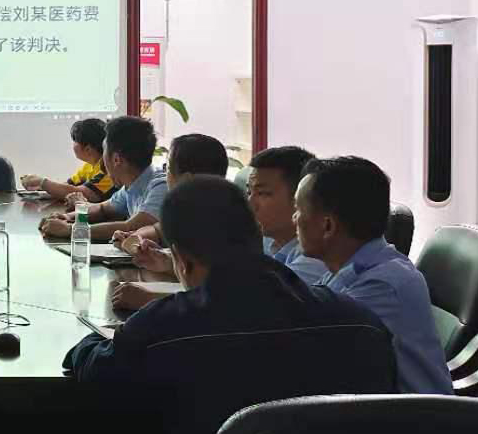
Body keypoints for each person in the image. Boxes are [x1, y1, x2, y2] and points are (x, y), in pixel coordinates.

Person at [63, 176, 395, 434]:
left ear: (182, 261)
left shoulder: (162, 330)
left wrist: (94, 342)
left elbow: (100, 374)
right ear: (256, 236)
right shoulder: (361, 325)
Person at [294, 156, 453, 395]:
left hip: (412, 415)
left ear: (328, 226)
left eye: (299, 209)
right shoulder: (347, 269)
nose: (294, 219)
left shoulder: (383, 284)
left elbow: (311, 342)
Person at [109, 133, 230, 311]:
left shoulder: (225, 223)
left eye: (167, 168)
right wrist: (163, 259)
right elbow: (157, 230)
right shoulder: (193, 212)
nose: (165, 175)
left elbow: (225, 295)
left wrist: (151, 299)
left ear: (186, 180)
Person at [39, 116, 167, 243]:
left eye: (104, 151)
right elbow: (102, 209)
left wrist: (70, 230)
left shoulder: (160, 186)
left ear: (116, 159)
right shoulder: (132, 185)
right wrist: (67, 217)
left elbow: (132, 227)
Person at [247, 145, 328, 285]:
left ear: (301, 198)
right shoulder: (265, 242)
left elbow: (258, 291)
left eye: (263, 193)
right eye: (249, 192)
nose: (250, 204)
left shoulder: (317, 257)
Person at [18, 118, 116, 203]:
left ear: (88, 149)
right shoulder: (89, 166)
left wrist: (42, 182)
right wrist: (39, 187)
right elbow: (68, 186)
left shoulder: (109, 169)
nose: (73, 144)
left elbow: (85, 194)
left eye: (75, 141)